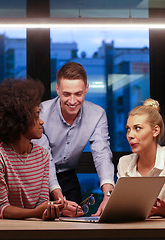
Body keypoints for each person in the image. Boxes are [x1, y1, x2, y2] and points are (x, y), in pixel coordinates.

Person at [0, 79, 66, 220]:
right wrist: (37, 212)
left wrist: (52, 208)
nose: (41, 121)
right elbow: (2, 209)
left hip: (28, 230)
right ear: (20, 119)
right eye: (36, 116)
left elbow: (41, 203)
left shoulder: (42, 155)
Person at [33, 62, 115, 217]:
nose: (72, 101)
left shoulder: (97, 114)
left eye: (78, 94)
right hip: (40, 178)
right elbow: (45, 158)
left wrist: (108, 195)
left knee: (76, 225)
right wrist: (59, 198)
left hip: (68, 176)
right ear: (57, 89)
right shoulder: (42, 113)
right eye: (66, 94)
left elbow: (102, 154)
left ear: (86, 89)